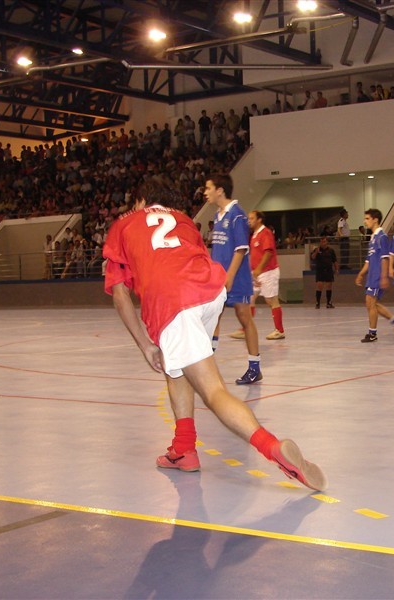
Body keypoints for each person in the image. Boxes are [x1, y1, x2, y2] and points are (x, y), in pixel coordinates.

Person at [102, 180, 325, 490]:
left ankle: (272, 448)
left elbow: (120, 295)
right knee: (177, 367)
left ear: (141, 200)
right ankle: (183, 449)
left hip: (174, 301)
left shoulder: (123, 224)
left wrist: (145, 346)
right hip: (211, 291)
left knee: (213, 390)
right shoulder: (183, 220)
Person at [205, 173, 262, 385]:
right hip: (219, 278)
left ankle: (255, 367)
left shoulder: (237, 215)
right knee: (213, 317)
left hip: (236, 278)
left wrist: (228, 277)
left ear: (220, 190)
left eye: (208, 188)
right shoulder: (218, 217)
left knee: (244, 318)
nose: (205, 192)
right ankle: (207, 364)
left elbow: (240, 249)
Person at [354, 208, 394, 343]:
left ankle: (372, 333)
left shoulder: (382, 237)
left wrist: (384, 276)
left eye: (367, 218)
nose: (365, 221)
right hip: (371, 275)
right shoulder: (373, 237)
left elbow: (385, 258)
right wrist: (361, 273)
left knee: (371, 302)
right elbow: (369, 260)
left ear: (375, 219)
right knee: (371, 304)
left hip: (377, 275)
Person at [247, 210, 286, 340]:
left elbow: (268, 252)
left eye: (252, 218)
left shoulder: (266, 233)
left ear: (259, 220)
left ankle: (279, 330)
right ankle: (245, 328)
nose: (249, 220)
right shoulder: (253, 235)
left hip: (268, 272)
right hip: (256, 273)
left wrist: (259, 269)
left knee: (271, 300)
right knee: (250, 299)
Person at [311, 236, 338, 308]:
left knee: (329, 286)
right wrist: (316, 252)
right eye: (322, 242)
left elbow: (334, 261)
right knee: (319, 286)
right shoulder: (317, 250)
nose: (323, 243)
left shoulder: (331, 251)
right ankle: (317, 303)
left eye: (324, 241)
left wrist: (336, 269)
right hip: (320, 270)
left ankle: (328, 303)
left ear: (327, 242)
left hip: (328, 270)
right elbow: (313, 257)